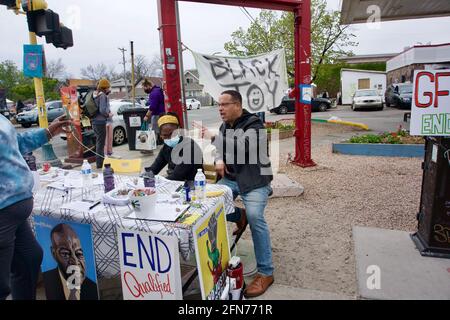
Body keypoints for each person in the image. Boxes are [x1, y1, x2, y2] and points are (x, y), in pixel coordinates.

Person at [193, 90, 274, 298]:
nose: (220, 108)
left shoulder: (255, 125)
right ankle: (240, 216)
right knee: (207, 203)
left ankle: (266, 273)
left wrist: (213, 137)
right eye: (219, 104)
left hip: (255, 181)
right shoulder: (225, 126)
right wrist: (219, 160)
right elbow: (223, 150)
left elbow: (242, 148)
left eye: (224, 104)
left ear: (237, 105)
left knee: (256, 218)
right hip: (232, 178)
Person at [0, 114, 72, 300]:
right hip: (3, 213)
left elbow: (15, 142)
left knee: (30, 259)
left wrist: (47, 133)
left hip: (16, 210)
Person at [42, 224, 98, 300]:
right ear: (53, 253)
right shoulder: (46, 281)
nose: (75, 262)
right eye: (65, 254)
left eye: (79, 254)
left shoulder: (94, 289)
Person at [146, 113, 203, 182]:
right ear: (160, 135)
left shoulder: (190, 147)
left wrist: (158, 181)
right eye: (165, 135)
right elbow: (154, 168)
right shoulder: (166, 147)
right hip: (174, 183)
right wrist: (145, 176)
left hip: (191, 185)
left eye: (172, 134)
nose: (169, 138)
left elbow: (177, 176)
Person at [92, 78, 112, 169]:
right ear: (105, 87)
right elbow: (102, 110)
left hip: (95, 121)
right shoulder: (103, 96)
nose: (109, 89)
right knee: (101, 143)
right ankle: (100, 163)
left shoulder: (96, 94)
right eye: (108, 87)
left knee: (99, 142)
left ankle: (99, 162)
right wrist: (108, 114)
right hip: (100, 122)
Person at [142, 79, 165, 145]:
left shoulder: (153, 93)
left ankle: (153, 144)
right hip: (162, 113)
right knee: (160, 129)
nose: (144, 90)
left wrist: (146, 116)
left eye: (144, 88)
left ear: (148, 86)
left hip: (157, 114)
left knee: (155, 130)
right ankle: (160, 142)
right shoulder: (158, 90)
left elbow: (152, 106)